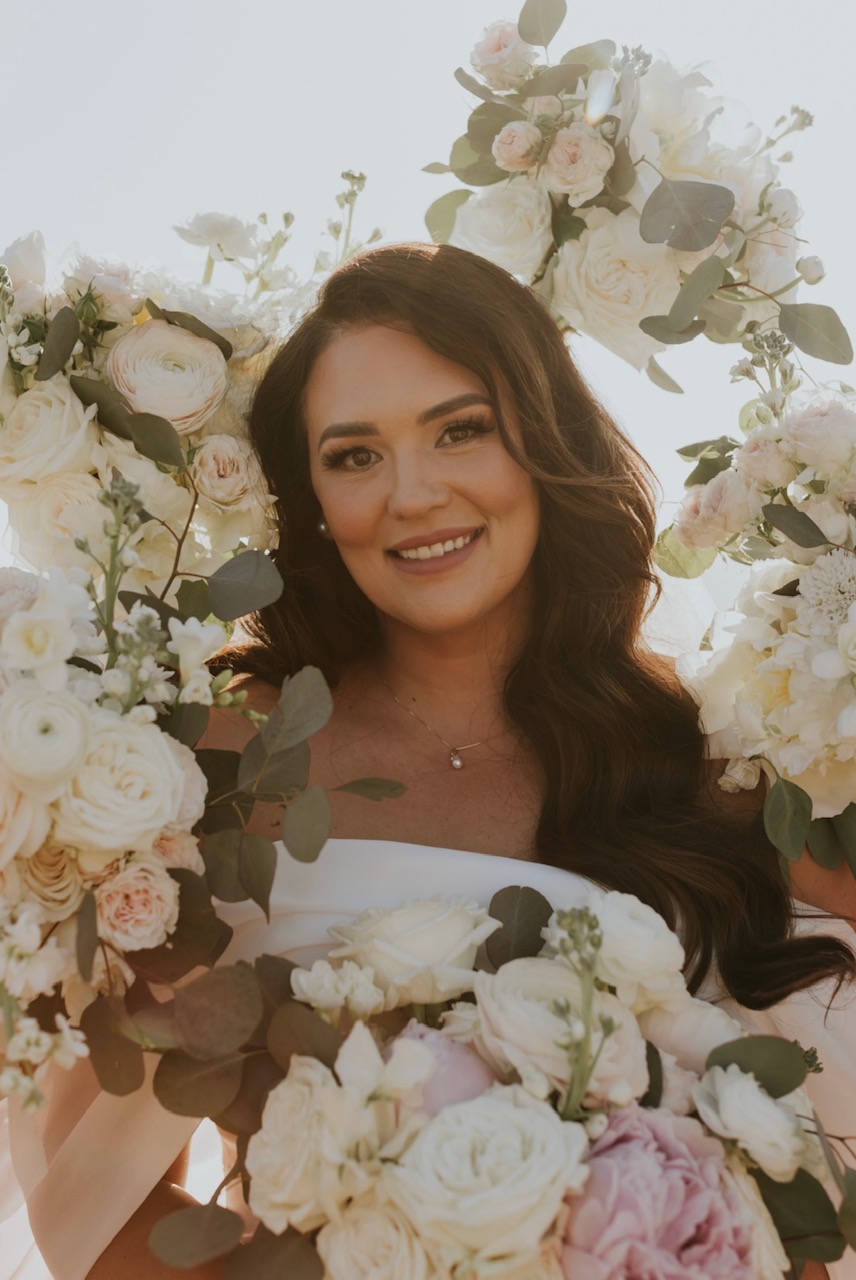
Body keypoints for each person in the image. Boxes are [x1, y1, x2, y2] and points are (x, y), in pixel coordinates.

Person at [6, 242, 856, 1280]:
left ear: (544, 443)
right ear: (308, 494)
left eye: (461, 430)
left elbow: (797, 1180)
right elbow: (91, 1194)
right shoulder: (212, 762)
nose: (411, 493)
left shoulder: (713, 762)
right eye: (354, 454)